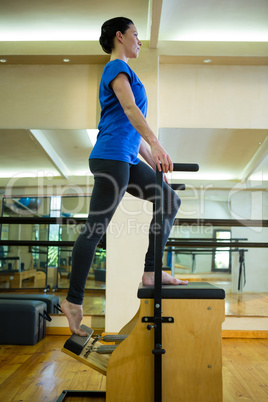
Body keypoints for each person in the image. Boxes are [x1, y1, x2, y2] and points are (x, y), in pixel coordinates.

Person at [61, 17, 188, 336]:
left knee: (168, 200)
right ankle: (73, 302)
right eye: (135, 34)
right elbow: (131, 110)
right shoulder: (115, 68)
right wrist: (157, 144)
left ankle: (150, 272)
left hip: (125, 157)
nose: (140, 41)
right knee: (94, 228)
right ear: (120, 36)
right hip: (111, 157)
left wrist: (156, 162)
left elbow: (133, 130)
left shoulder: (127, 71)